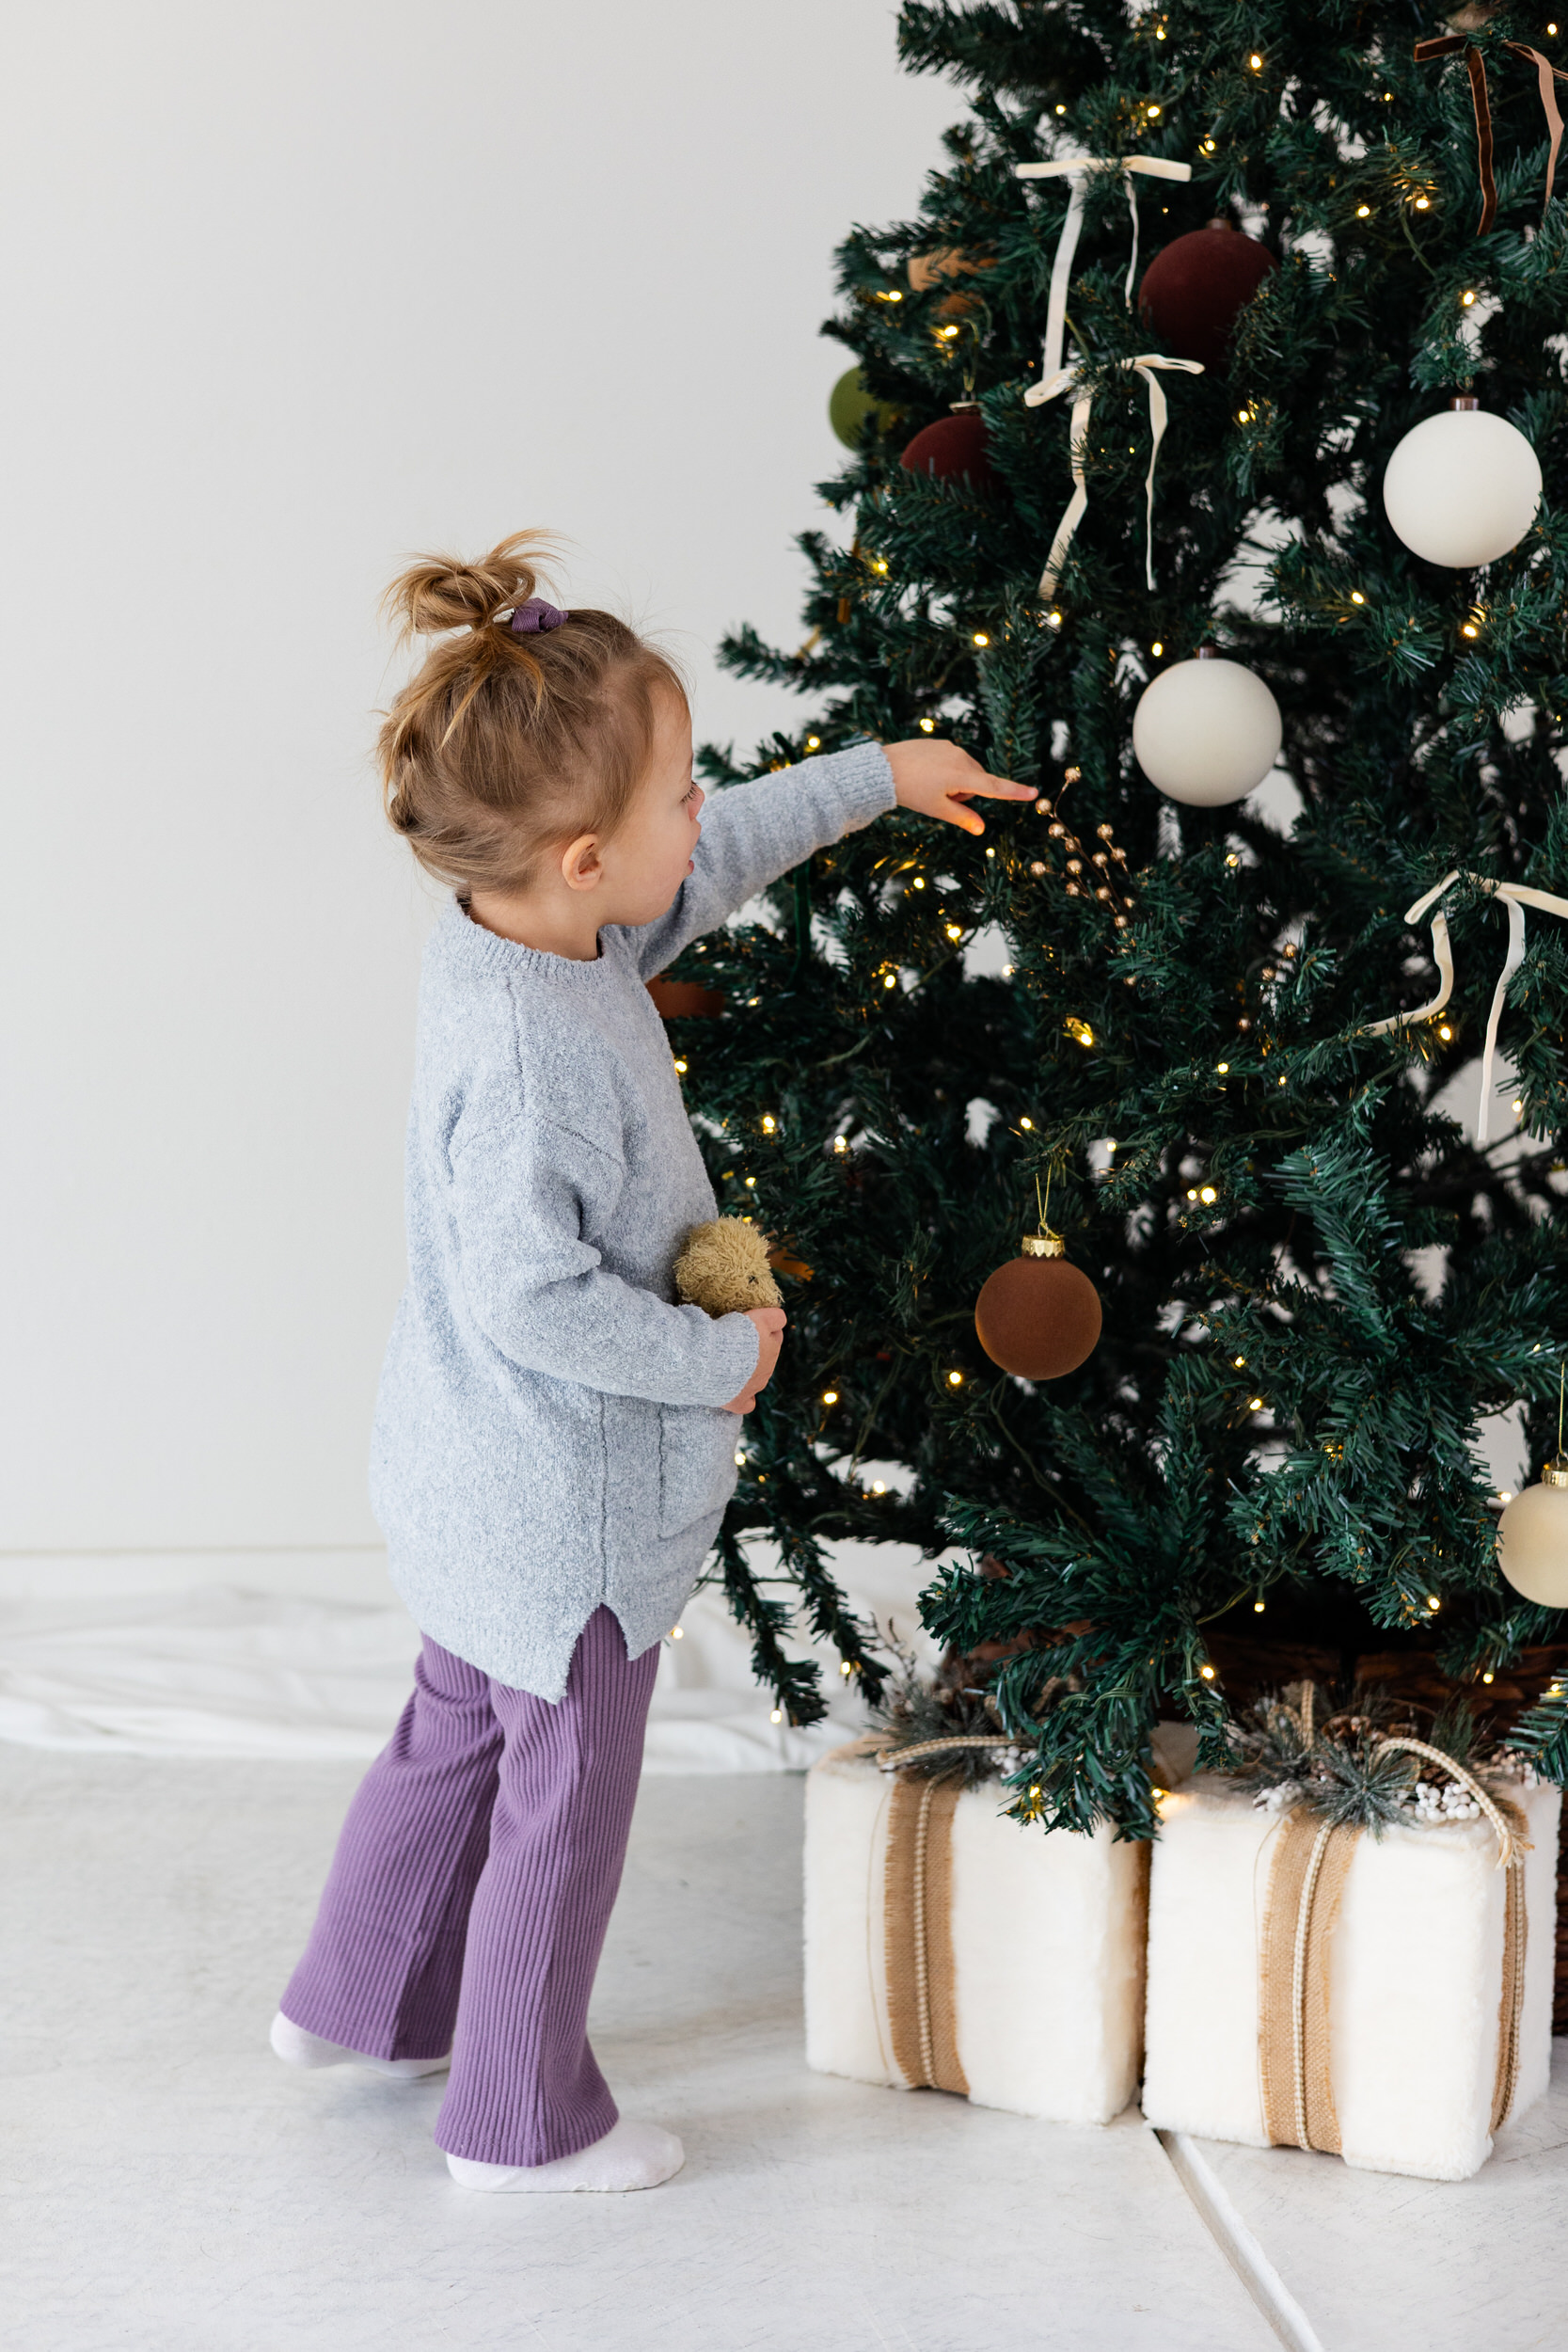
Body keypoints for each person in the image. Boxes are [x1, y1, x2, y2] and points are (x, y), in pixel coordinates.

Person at [269, 534, 1030, 2192]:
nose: (706, 811)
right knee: (564, 1800)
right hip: (566, 1506)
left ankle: (358, 1998)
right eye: (683, 789)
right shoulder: (546, 1046)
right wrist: (711, 1361)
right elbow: (534, 1297)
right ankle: (518, 2122)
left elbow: (721, 858)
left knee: (453, 1724)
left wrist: (875, 776)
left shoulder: (535, 937)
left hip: (468, 1479)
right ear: (592, 851)